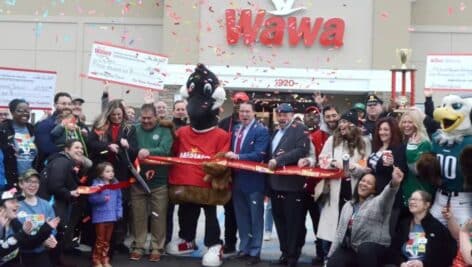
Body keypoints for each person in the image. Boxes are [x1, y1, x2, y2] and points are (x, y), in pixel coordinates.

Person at [316, 109, 371, 256]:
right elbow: (322, 159)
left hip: (354, 188)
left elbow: (366, 165)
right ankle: (328, 258)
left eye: (345, 122)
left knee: (351, 225)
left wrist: (354, 167)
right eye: (341, 123)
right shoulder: (332, 140)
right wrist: (335, 163)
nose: (341, 126)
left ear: (353, 125)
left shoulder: (364, 142)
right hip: (335, 189)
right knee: (332, 227)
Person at [327, 167, 404, 267]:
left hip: (375, 249)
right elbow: (339, 234)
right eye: (363, 181)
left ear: (374, 189)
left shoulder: (379, 202)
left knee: (365, 249)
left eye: (369, 183)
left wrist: (394, 183)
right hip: (353, 249)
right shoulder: (348, 206)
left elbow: (388, 193)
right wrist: (330, 256)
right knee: (335, 261)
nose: (364, 184)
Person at [88, 99, 138, 254]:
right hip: (101, 171)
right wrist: (107, 147)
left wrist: (127, 146)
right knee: (99, 203)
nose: (117, 117)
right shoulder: (100, 127)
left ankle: (117, 240)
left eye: (119, 114)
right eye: (114, 114)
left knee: (119, 204)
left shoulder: (130, 129)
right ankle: (95, 241)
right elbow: (90, 144)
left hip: (121, 172)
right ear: (108, 114)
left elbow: (135, 151)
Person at [224, 101, 270, 265]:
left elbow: (259, 155)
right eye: (241, 112)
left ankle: (255, 251)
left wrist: (238, 158)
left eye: (247, 112)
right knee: (242, 217)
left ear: (254, 113)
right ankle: (244, 248)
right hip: (237, 181)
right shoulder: (236, 129)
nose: (244, 115)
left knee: (255, 218)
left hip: (254, 181)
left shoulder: (261, 131)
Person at [267, 103, 310, 267]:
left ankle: (292, 255)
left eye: (285, 114)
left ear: (292, 115)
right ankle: (285, 252)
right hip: (275, 185)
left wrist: (278, 161)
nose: (282, 117)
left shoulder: (300, 129)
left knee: (293, 223)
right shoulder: (276, 132)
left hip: (293, 186)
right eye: (279, 114)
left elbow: (300, 151)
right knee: (280, 221)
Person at [129, 103, 173, 262]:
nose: (146, 121)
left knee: (158, 215)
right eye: (143, 118)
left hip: (159, 181)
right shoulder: (134, 129)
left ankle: (157, 247)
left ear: (156, 116)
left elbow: (166, 149)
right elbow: (130, 149)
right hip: (138, 180)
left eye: (149, 118)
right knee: (138, 215)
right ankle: (138, 246)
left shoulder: (165, 130)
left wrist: (149, 152)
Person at [38, 139, 84, 267]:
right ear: (66, 149)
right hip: (53, 204)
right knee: (55, 232)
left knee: (56, 233)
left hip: (55, 203)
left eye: (81, 148)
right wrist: (70, 193)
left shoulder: (63, 161)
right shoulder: (62, 162)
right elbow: (55, 186)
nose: (80, 150)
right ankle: (55, 262)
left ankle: (57, 261)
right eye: (76, 147)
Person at [218, 91, 249, 255]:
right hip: (227, 175)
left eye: (242, 101)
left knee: (246, 211)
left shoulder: (254, 125)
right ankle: (230, 243)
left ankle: (248, 245)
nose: (238, 104)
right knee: (229, 211)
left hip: (246, 175)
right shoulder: (224, 123)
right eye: (236, 101)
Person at [392, 190, 457, 267]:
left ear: (426, 205)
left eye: (416, 199)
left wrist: (423, 264)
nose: (412, 202)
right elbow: (393, 250)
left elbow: (445, 255)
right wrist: (401, 263)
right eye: (411, 199)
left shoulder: (437, 227)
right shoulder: (403, 224)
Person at [0, 187, 60, 267]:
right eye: (12, 202)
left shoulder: (14, 222)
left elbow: (28, 244)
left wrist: (46, 229)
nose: (18, 205)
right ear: (1, 208)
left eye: (17, 202)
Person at [17, 169, 57, 267]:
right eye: (28, 181)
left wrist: (51, 238)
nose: (33, 185)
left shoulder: (46, 205)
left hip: (40, 252)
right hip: (20, 254)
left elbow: (53, 227)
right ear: (21, 184)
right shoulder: (15, 205)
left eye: (36, 182)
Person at [89, 162, 122, 267]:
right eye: (107, 171)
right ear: (101, 173)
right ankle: (96, 259)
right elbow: (92, 199)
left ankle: (104, 259)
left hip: (111, 217)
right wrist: (102, 198)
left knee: (107, 240)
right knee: (100, 240)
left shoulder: (116, 184)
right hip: (100, 217)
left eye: (112, 171)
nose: (111, 173)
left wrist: (119, 212)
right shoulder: (96, 184)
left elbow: (119, 200)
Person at [399, 109, 435, 205]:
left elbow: (417, 171)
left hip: (420, 192)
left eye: (410, 122)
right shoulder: (404, 140)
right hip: (406, 189)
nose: (406, 125)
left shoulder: (424, 143)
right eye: (404, 122)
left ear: (417, 124)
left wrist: (412, 150)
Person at [0, 99, 37, 189]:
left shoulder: (31, 129)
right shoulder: (3, 129)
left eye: (27, 110)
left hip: (28, 180)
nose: (25, 113)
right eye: (20, 110)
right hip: (9, 179)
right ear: (12, 112)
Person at [35, 92, 73, 169]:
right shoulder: (45, 124)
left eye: (69, 104)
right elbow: (45, 148)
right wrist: (68, 152)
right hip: (51, 167)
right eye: (63, 103)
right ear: (55, 105)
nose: (67, 106)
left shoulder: (75, 123)